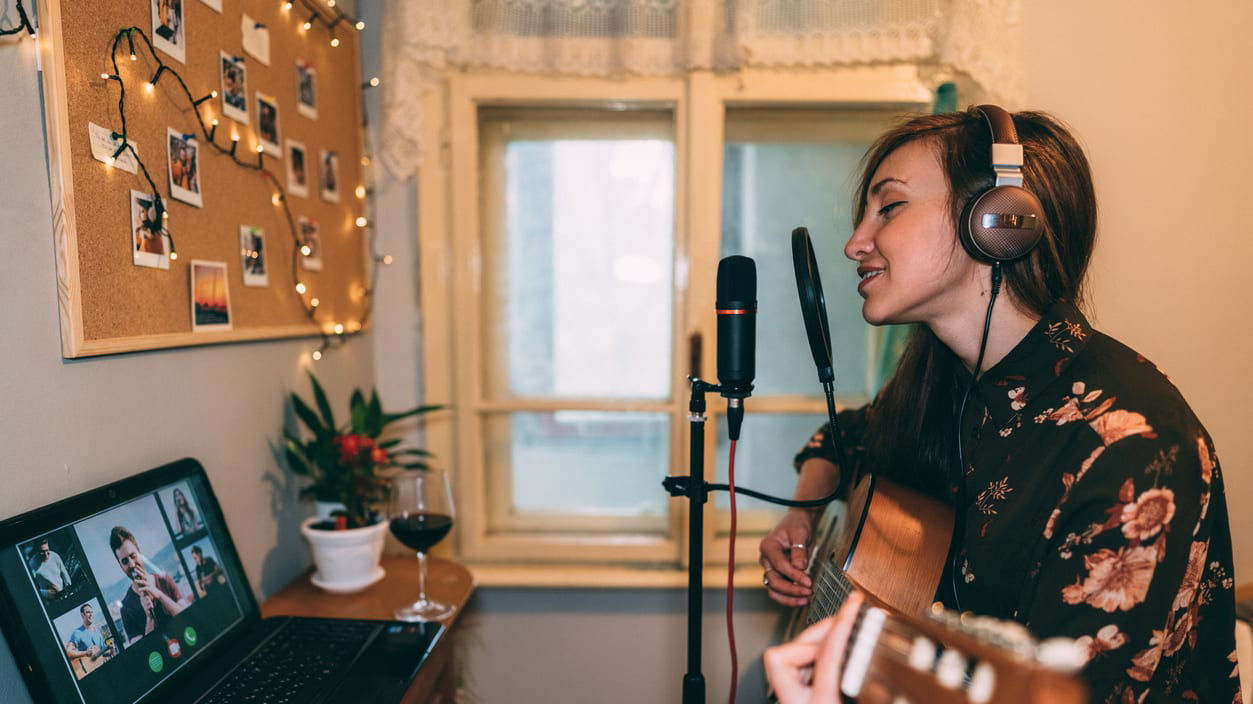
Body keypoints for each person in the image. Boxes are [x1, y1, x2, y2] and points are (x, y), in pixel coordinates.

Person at [759, 106, 1238, 702]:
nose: (857, 243)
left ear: (995, 222)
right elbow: (844, 436)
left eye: (890, 206)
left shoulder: (1131, 445)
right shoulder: (943, 384)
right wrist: (802, 516)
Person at [111, 526, 186, 644]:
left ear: (140, 553)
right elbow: (143, 651)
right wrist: (149, 618)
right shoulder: (126, 608)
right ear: (121, 567)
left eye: (133, 556)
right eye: (125, 561)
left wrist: (160, 595)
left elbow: (187, 616)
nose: (131, 564)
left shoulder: (165, 580)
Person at [65, 603, 110, 677]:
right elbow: (68, 653)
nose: (91, 614)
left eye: (92, 612)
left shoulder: (97, 632)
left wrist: (110, 650)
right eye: (88, 612)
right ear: (82, 615)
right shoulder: (77, 633)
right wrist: (86, 653)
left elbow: (103, 652)